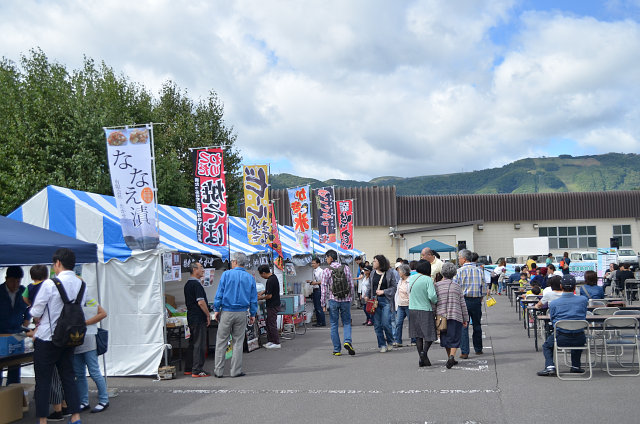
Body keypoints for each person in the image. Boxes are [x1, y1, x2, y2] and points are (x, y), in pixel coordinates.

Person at [30, 248, 84, 424]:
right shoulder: (81, 283)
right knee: (68, 376)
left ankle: (43, 420)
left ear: (58, 263)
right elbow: (80, 305)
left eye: (54, 264)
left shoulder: (50, 284)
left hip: (48, 338)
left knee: (43, 380)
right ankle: (75, 417)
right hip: (70, 337)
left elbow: (36, 311)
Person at [213, 252, 258, 378]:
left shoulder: (226, 274)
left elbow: (219, 293)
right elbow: (253, 298)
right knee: (238, 342)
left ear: (234, 262)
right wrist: (253, 313)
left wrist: (217, 309)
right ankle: (235, 371)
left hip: (227, 311)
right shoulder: (250, 278)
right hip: (242, 312)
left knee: (221, 341)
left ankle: (218, 371)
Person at [537, 274, 588, 376]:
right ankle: (575, 366)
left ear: (561, 286)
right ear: (574, 287)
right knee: (576, 334)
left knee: (547, 346)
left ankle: (550, 366)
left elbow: (553, 318)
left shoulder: (554, 303)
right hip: (580, 338)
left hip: (561, 337)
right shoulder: (583, 300)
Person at [73, 297, 109, 413]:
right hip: (74, 340)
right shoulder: (67, 298)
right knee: (79, 373)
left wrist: (85, 323)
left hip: (88, 338)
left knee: (94, 371)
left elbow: (103, 313)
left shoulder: (88, 299)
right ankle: (84, 401)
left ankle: (104, 400)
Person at [321, 249, 355, 356]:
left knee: (334, 324)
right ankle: (347, 341)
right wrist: (351, 298)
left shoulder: (326, 270)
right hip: (345, 300)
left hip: (333, 300)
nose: (326, 260)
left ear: (330, 258)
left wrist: (323, 304)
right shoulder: (346, 268)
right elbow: (351, 285)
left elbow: (323, 288)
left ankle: (336, 349)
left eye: (326, 258)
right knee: (346, 322)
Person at [453, 249, 486, 359]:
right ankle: (478, 349)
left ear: (464, 259)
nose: (459, 260)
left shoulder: (459, 271)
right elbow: (484, 288)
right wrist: (480, 298)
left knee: (464, 326)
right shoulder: (479, 270)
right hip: (476, 300)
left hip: (463, 301)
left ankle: (465, 352)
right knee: (477, 325)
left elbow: (455, 288)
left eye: (459, 258)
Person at [0, 266, 30, 386]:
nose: (15, 284)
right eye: (13, 281)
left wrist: (27, 318)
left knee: (15, 365)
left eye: (18, 281)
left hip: (17, 333)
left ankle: (13, 393)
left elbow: (32, 307)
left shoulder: (24, 291)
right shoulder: (0, 291)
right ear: (6, 279)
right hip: (1, 333)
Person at [435, 262, 469, 369]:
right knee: (454, 337)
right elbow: (462, 303)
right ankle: (452, 357)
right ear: (454, 273)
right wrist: (465, 318)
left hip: (441, 315)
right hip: (455, 314)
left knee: (444, 337)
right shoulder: (457, 286)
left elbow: (433, 301)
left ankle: (450, 357)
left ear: (442, 272)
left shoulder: (436, 286)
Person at [184, 262, 211, 377]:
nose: (203, 270)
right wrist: (208, 314)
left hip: (191, 316)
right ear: (195, 270)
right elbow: (201, 302)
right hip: (198, 317)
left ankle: (188, 368)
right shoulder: (196, 285)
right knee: (199, 344)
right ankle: (197, 369)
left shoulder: (187, 284)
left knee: (193, 342)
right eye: (201, 268)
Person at [408, 261, 438, 366]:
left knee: (418, 335)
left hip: (412, 309)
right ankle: (424, 353)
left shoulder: (411, 278)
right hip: (425, 309)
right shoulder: (428, 279)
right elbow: (432, 296)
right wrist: (436, 301)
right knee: (430, 334)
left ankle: (422, 358)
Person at [367, 254, 398, 353]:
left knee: (386, 323)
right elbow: (370, 286)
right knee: (377, 325)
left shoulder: (390, 273)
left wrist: (383, 291)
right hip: (375, 301)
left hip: (386, 301)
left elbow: (394, 287)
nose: (373, 263)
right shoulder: (372, 273)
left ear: (380, 262)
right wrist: (366, 295)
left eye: (375, 261)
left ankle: (390, 341)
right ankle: (381, 344)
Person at [257, 265, 281, 349]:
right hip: (274, 304)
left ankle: (276, 342)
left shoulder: (270, 280)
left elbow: (269, 295)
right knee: (268, 323)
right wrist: (262, 292)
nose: (261, 276)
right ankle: (271, 341)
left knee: (271, 323)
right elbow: (268, 290)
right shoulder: (273, 277)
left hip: (273, 305)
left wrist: (260, 297)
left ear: (263, 273)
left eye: (260, 275)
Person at [393, 264, 412, 347]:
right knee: (398, 323)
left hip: (409, 305)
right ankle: (398, 340)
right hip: (400, 305)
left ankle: (414, 340)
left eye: (400, 271)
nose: (398, 273)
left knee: (412, 323)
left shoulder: (410, 281)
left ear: (404, 272)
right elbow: (397, 293)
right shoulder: (400, 281)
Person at [307, 258, 326, 327]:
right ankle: (319, 321)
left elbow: (322, 281)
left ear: (318, 264)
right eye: (312, 263)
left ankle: (322, 322)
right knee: (316, 306)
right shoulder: (314, 271)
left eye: (314, 263)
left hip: (319, 290)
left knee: (318, 306)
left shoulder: (321, 271)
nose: (312, 265)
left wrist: (314, 283)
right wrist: (311, 282)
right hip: (315, 289)